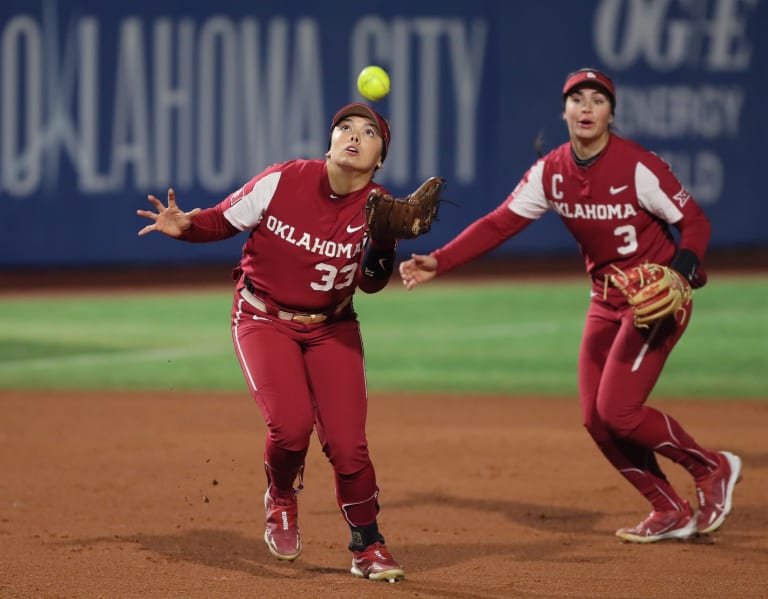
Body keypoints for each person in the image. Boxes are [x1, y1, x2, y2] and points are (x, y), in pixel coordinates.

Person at [399, 68, 742, 543]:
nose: (586, 107)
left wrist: (679, 275)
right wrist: (440, 260)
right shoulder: (552, 172)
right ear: (563, 111)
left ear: (610, 113)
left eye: (597, 100)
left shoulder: (636, 166)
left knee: (618, 410)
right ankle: (669, 508)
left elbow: (696, 223)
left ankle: (712, 467)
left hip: (657, 300)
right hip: (605, 300)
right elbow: (499, 223)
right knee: (595, 418)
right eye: (577, 98)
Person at [137, 103, 406, 580]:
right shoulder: (284, 179)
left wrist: (383, 245)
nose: (354, 136)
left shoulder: (380, 208)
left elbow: (369, 283)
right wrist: (185, 228)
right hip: (263, 317)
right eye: (345, 127)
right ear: (329, 140)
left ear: (380, 158)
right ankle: (281, 495)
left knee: (348, 445)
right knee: (291, 427)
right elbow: (222, 219)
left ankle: (368, 546)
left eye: (369, 133)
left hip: (332, 327)